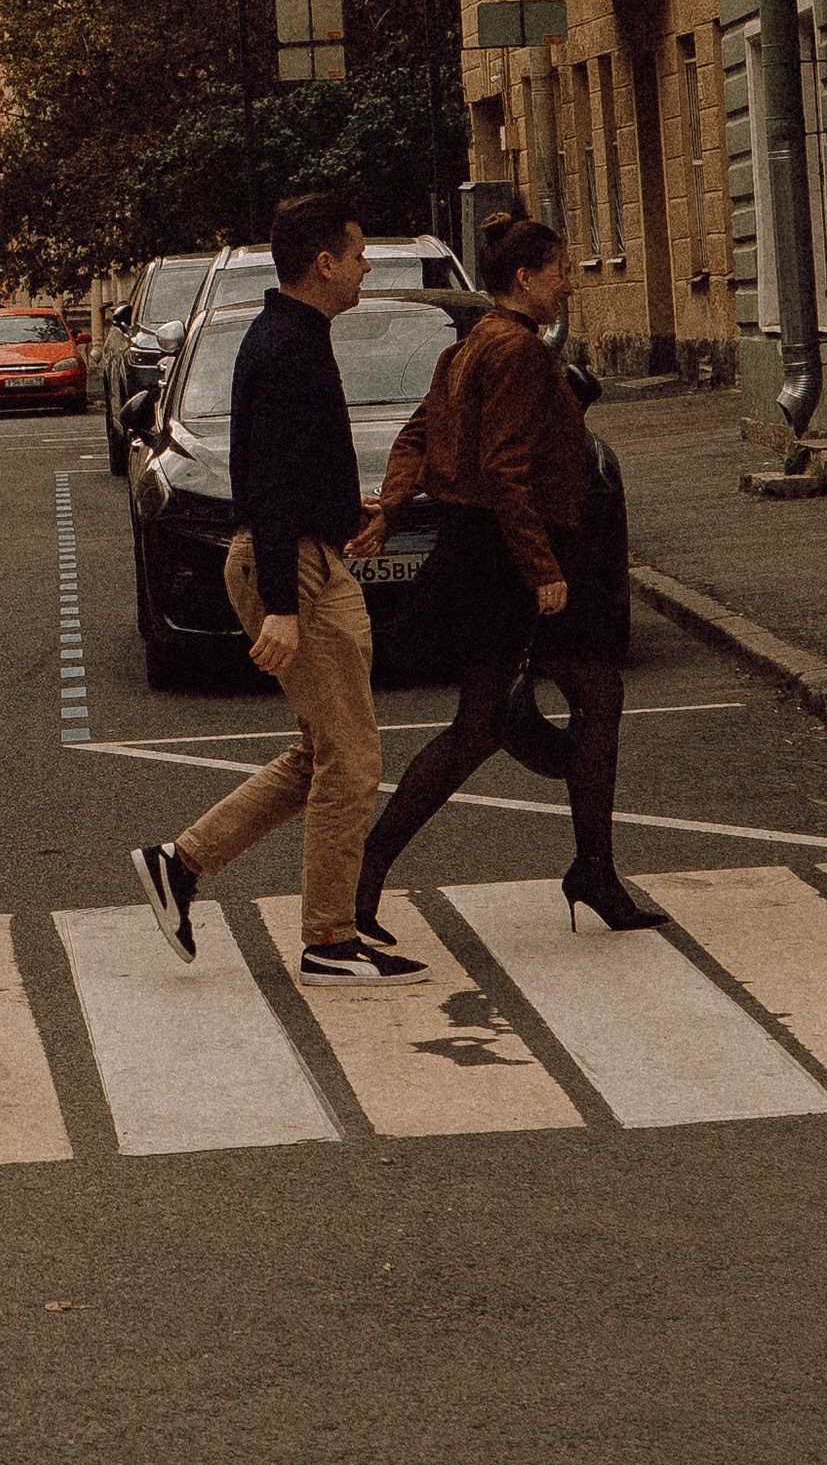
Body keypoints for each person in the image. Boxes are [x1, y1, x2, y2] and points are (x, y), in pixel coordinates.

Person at [133, 192, 422, 986]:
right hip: (292, 567)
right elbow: (264, 489)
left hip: (303, 553)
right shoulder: (289, 348)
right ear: (324, 263)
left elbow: (286, 468)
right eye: (359, 254)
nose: (366, 267)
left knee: (323, 752)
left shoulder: (290, 335)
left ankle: (180, 864)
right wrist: (286, 609)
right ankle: (328, 939)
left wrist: (344, 510)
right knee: (353, 761)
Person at [352, 212, 664, 936]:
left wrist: (393, 507)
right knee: (497, 722)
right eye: (558, 272)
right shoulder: (518, 352)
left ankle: (590, 869)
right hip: (514, 552)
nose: (566, 286)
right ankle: (370, 869)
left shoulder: (467, 349)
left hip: (484, 548)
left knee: (567, 701)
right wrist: (542, 568)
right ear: (525, 278)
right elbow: (505, 468)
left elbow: (415, 436)